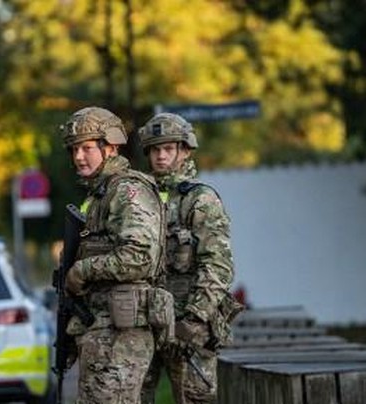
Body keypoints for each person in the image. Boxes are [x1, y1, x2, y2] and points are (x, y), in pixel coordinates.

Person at [60, 107, 165, 403]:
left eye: (87, 148)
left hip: (122, 337)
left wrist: (83, 271)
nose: (78, 157)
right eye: (74, 149)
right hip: (102, 333)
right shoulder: (99, 195)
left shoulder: (127, 190)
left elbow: (139, 256)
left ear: (111, 146)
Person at [137, 113, 239, 404]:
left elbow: (218, 265)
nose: (160, 156)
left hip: (189, 325)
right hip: (145, 323)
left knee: (195, 398)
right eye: (155, 150)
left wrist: (195, 319)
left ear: (185, 150)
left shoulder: (200, 199)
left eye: (168, 149)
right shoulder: (139, 199)